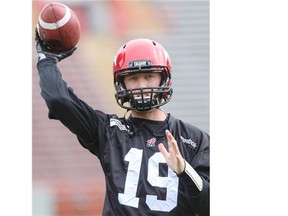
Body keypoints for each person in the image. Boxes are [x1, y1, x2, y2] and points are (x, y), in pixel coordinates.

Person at [34, 28, 210, 216]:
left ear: (163, 78)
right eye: (133, 78)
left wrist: (185, 171)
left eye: (149, 76)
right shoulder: (108, 132)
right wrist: (47, 60)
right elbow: (58, 100)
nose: (142, 85)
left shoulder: (194, 139)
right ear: (121, 84)